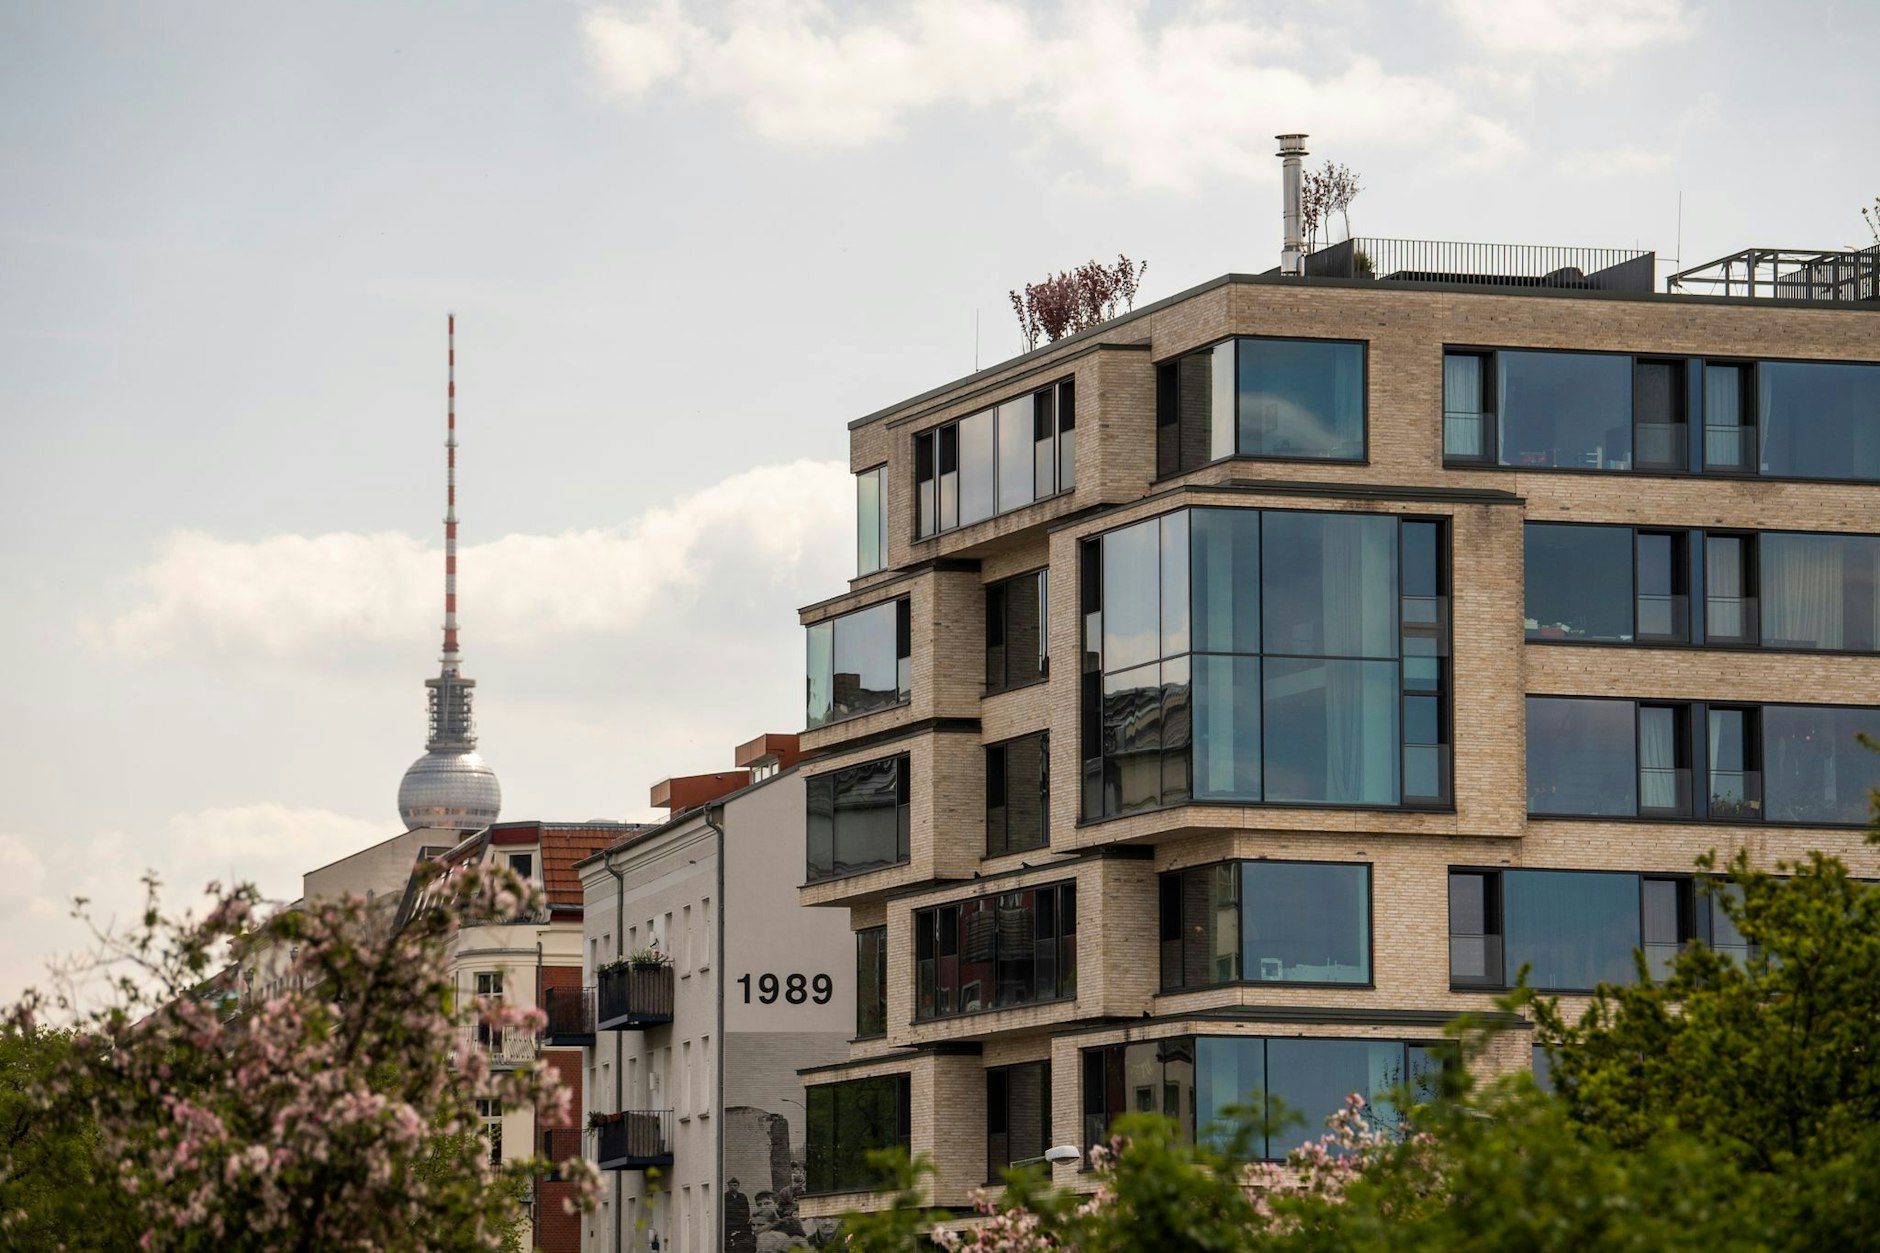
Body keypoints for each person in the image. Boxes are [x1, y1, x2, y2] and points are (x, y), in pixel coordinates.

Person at [723, 1177, 756, 1253]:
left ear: (738, 1186)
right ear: (728, 1186)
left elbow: (746, 1208)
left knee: (742, 1239)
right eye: (731, 1185)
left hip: (741, 1222)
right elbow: (726, 1209)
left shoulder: (742, 1196)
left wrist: (746, 1219)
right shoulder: (725, 1196)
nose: (733, 1187)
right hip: (729, 1223)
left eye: (735, 1185)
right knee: (729, 1241)